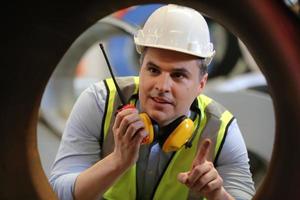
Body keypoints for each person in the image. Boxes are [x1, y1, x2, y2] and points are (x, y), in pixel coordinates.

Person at [49, 4, 255, 200]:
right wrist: (118, 161)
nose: (162, 86)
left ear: (201, 84)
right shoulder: (100, 102)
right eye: (153, 70)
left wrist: (217, 195)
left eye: (178, 75)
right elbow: (57, 192)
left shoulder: (219, 128)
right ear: (140, 68)